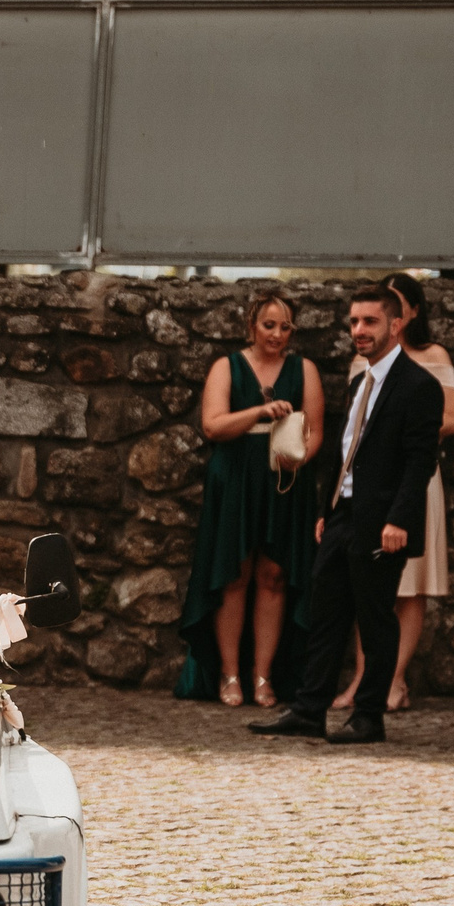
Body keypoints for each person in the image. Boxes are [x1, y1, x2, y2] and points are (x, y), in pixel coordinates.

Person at [249, 284, 444, 746]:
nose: (358, 330)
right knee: (325, 614)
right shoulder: (360, 382)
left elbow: (420, 463)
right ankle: (309, 710)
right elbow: (344, 452)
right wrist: (326, 509)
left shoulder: (420, 387)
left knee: (375, 619)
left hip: (383, 522)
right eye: (354, 321)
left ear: (396, 324)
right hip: (342, 516)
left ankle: (369, 715)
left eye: (369, 321)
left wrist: (399, 520)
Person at [175, 290, 325, 709]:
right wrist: (259, 413)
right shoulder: (227, 366)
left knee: (274, 575)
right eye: (269, 325)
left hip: (285, 480)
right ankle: (229, 674)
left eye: (285, 327)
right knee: (234, 574)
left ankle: (263, 676)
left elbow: (315, 432)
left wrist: (297, 462)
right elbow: (213, 425)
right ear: (251, 326)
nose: (277, 334)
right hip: (236, 478)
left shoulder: (304, 369)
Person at [336, 272, 454, 712]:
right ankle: (363, 678)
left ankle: (395, 678)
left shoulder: (432, 357)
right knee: (364, 584)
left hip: (412, 477)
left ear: (408, 312)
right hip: (366, 486)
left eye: (392, 303)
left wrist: (402, 429)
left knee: (410, 584)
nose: (364, 326)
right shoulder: (362, 359)